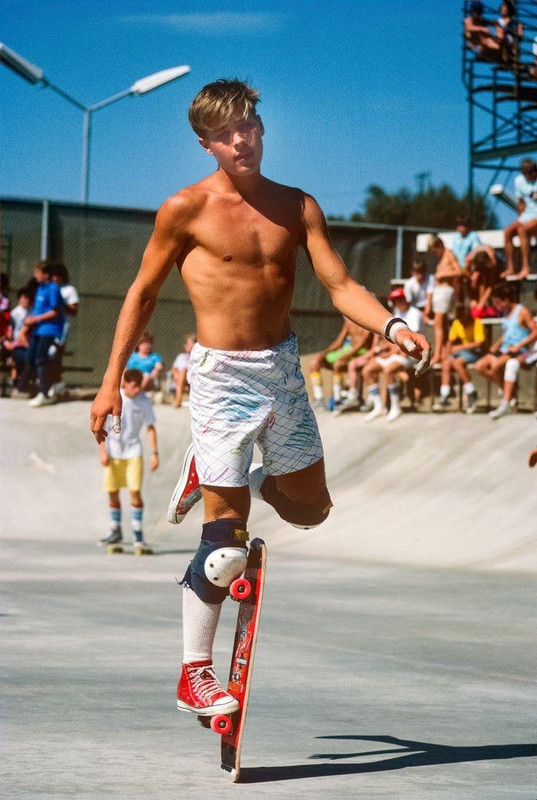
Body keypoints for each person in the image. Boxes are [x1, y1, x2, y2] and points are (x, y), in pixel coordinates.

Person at [90, 78, 430, 719]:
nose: (240, 139)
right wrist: (110, 383)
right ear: (206, 144)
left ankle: (231, 469)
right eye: (224, 134)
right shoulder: (183, 209)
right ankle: (195, 672)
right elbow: (139, 294)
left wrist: (393, 326)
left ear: (262, 128)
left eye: (247, 126)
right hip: (219, 378)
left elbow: (340, 283)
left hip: (282, 372)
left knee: (311, 512)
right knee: (225, 547)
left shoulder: (298, 206)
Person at [98, 368, 159, 552]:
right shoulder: (116, 398)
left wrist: (155, 453)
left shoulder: (144, 401)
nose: (137, 390)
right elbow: (99, 425)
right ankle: (115, 530)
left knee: (134, 492)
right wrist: (102, 451)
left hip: (134, 452)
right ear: (125, 384)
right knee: (112, 492)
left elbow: (150, 428)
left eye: (139, 387)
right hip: (113, 452)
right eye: (134, 387)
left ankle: (137, 532)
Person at [360, 288, 425, 422]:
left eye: (400, 299)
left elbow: (411, 343)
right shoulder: (396, 314)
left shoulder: (415, 314)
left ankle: (395, 408)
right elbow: (392, 340)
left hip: (412, 355)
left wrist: (390, 352)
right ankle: (379, 407)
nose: (398, 303)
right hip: (396, 354)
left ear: (405, 299)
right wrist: (386, 351)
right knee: (367, 370)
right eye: (395, 301)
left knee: (388, 370)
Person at [473, 283, 537, 419]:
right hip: (504, 348)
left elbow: (535, 331)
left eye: (498, 302)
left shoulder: (522, 311)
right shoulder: (507, 312)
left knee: (495, 366)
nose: (497, 306)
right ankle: (509, 390)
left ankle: (506, 400)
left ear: (506, 299)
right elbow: (507, 333)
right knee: (479, 366)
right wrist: (496, 345)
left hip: (517, 349)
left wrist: (520, 345)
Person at [19, 262, 65, 407]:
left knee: (41, 358)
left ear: (46, 274)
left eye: (38, 273)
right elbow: (38, 310)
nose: (35, 276)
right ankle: (53, 384)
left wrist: (35, 319)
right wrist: (30, 319)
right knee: (31, 357)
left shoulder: (53, 289)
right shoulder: (40, 288)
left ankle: (44, 393)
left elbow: (55, 311)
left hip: (49, 329)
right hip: (38, 330)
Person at [308, 316, 372, 410]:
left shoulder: (367, 320)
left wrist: (347, 355)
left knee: (338, 364)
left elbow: (363, 342)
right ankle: (319, 399)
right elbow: (340, 341)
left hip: (361, 352)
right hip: (348, 350)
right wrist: (325, 352)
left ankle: (337, 400)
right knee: (315, 362)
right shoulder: (348, 321)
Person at [432, 304, 487, 412]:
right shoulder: (457, 323)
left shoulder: (477, 323)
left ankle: (471, 393)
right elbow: (450, 341)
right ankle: (445, 395)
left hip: (475, 352)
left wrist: (459, 347)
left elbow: (479, 343)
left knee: (457, 363)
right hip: (462, 352)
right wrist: (446, 353)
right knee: (446, 363)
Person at [424, 236, 463, 366]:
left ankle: (437, 354)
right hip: (441, 292)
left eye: (434, 250)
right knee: (441, 324)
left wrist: (442, 275)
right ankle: (441, 352)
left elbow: (459, 272)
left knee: (439, 323)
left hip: (445, 291)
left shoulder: (449, 254)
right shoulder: (443, 259)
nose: (434, 254)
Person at [48, 263, 80, 399]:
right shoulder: (50, 288)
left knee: (54, 353)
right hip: (47, 328)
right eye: (53, 276)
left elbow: (74, 310)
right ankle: (52, 384)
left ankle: (57, 384)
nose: (55, 279)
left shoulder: (69, 290)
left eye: (57, 276)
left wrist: (60, 305)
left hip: (61, 328)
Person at [502, 158, 537, 280]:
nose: (533, 174)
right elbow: (521, 203)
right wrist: (518, 218)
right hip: (527, 215)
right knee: (508, 232)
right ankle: (511, 267)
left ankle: (526, 267)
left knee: (523, 230)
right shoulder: (519, 181)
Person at [2, 288, 32, 390]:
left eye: (27, 299)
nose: (26, 301)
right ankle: (16, 382)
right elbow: (11, 331)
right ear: (19, 299)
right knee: (19, 358)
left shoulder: (32, 312)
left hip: (27, 342)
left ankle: (21, 383)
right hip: (17, 343)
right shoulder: (15, 313)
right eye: (23, 299)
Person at [170, 332, 197, 407]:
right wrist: (175, 374)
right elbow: (173, 368)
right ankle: (180, 394)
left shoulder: (197, 357)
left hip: (191, 379)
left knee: (184, 370)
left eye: (188, 344)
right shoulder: (181, 356)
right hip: (179, 379)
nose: (185, 346)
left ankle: (178, 400)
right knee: (182, 372)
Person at [496, 1, 523, 65]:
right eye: (502, 7)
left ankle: (512, 60)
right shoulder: (498, 22)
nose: (504, 9)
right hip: (502, 42)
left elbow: (520, 35)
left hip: (512, 42)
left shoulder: (516, 23)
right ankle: (504, 59)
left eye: (506, 7)